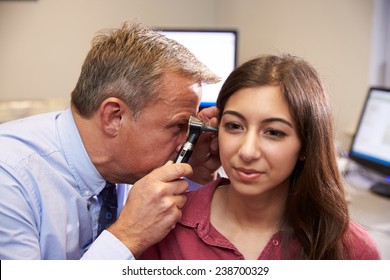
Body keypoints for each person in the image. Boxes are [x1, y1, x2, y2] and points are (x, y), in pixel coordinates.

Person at [0, 21, 221, 259]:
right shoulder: (10, 178)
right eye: (179, 126)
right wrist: (128, 236)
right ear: (114, 117)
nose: (185, 140)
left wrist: (196, 176)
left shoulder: (125, 167)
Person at [140, 54, 381, 260]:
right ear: (215, 130)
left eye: (273, 132)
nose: (247, 151)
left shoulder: (352, 250)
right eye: (234, 126)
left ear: (307, 145)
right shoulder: (164, 224)